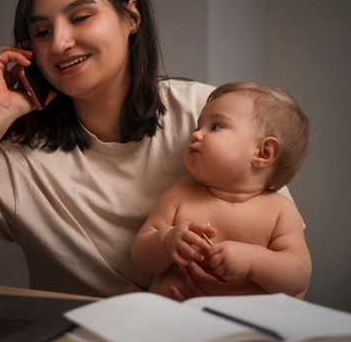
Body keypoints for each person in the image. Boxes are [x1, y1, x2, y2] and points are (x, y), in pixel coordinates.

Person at [0, 0, 297, 298]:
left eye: (81, 16)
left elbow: (291, 273)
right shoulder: (18, 163)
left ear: (131, 17)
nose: (60, 43)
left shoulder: (204, 112)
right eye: (42, 32)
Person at [131, 82, 312, 300]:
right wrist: (166, 241)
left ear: (263, 152)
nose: (196, 134)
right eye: (198, 126)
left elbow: (298, 276)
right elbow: (140, 260)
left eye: (215, 126)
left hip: (242, 326)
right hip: (172, 319)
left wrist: (252, 261)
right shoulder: (179, 197)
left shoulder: (280, 212)